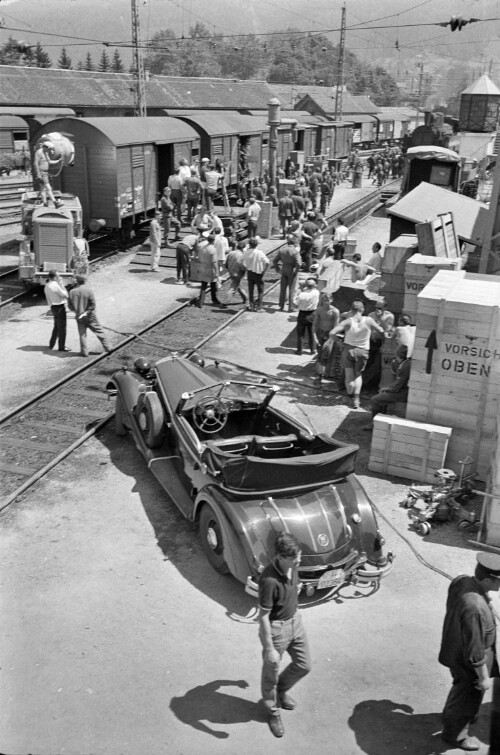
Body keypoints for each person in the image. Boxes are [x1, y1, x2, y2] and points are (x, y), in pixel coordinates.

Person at [439, 552, 500, 751]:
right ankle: (455, 736)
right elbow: (475, 650)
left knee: (460, 689)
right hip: (469, 661)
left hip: (454, 648)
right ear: (486, 579)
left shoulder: (462, 581)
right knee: (467, 695)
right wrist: (483, 678)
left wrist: (485, 598)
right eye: (498, 581)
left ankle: (454, 713)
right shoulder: (474, 607)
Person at [258, 532, 311, 738]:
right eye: (295, 557)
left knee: (304, 665)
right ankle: (273, 711)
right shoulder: (269, 580)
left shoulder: (293, 567)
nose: (299, 560)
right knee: (270, 674)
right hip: (277, 629)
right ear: (281, 557)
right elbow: (262, 616)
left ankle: (280, 690)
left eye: (299, 555)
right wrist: (270, 648)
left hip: (295, 622)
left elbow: (292, 589)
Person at [330, 300, 384, 408]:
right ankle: (356, 400)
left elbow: (332, 333)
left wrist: (339, 342)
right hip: (363, 350)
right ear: (362, 309)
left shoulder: (348, 321)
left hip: (348, 349)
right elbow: (381, 330)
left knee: (349, 376)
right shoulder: (368, 320)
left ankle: (349, 397)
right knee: (358, 375)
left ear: (352, 310)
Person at [363, 345, 411, 429]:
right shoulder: (405, 363)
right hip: (402, 390)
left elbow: (397, 387)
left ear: (397, 354)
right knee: (382, 394)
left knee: (375, 400)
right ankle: (381, 420)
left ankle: (375, 424)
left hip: (402, 393)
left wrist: (387, 389)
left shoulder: (404, 367)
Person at [68, 274, 111, 357]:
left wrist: (77, 312)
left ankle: (84, 352)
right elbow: (93, 305)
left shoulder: (71, 292)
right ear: (85, 281)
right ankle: (108, 348)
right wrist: (86, 312)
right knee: (99, 331)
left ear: (77, 281)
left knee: (82, 335)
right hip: (90, 316)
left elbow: (69, 306)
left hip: (79, 317)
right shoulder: (89, 291)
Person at [274, 235, 301, 312]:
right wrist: (296, 271)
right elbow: (299, 263)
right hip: (291, 269)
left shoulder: (282, 250)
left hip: (284, 269)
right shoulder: (295, 252)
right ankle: (291, 307)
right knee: (291, 289)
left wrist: (277, 269)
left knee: (283, 288)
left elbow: (274, 261)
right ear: (294, 243)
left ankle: (281, 305)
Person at [44, 270, 70, 352]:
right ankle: (61, 347)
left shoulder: (47, 285)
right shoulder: (55, 285)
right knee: (62, 328)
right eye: (58, 276)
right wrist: (62, 285)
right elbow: (66, 295)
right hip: (59, 307)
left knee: (56, 326)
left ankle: (52, 343)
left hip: (53, 307)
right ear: (55, 277)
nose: (59, 277)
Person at [242, 237, 269, 312]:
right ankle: (259, 307)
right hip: (258, 273)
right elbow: (267, 262)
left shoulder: (247, 252)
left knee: (251, 290)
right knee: (260, 290)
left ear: (249, 245)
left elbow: (240, 260)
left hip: (250, 273)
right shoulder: (259, 252)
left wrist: (246, 267)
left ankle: (251, 306)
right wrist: (264, 271)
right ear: (256, 245)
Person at [195, 234, 222, 308]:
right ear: (213, 241)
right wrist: (217, 271)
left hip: (202, 267)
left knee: (203, 285)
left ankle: (201, 302)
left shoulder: (202, 247)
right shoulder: (212, 249)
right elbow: (214, 262)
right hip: (210, 269)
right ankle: (214, 299)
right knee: (213, 285)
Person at [294, 278, 319, 355]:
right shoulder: (316, 293)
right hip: (312, 314)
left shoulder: (302, 295)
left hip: (302, 314)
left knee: (301, 333)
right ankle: (312, 350)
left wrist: (299, 290)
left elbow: (295, 303)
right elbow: (313, 288)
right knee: (311, 333)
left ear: (306, 285)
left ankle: (299, 350)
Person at [34, 141, 63, 208]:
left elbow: (49, 162)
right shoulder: (39, 152)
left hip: (46, 173)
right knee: (49, 188)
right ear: (45, 147)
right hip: (41, 173)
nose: (50, 150)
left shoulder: (46, 153)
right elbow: (35, 164)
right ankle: (55, 203)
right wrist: (38, 174)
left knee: (42, 189)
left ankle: (45, 203)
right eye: (49, 149)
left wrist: (58, 161)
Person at [224, 241, 247, 305]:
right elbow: (243, 266)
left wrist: (228, 268)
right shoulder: (242, 256)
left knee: (239, 286)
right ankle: (227, 301)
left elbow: (226, 263)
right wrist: (244, 271)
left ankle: (245, 298)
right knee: (233, 288)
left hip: (231, 272)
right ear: (243, 248)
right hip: (238, 273)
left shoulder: (231, 253)